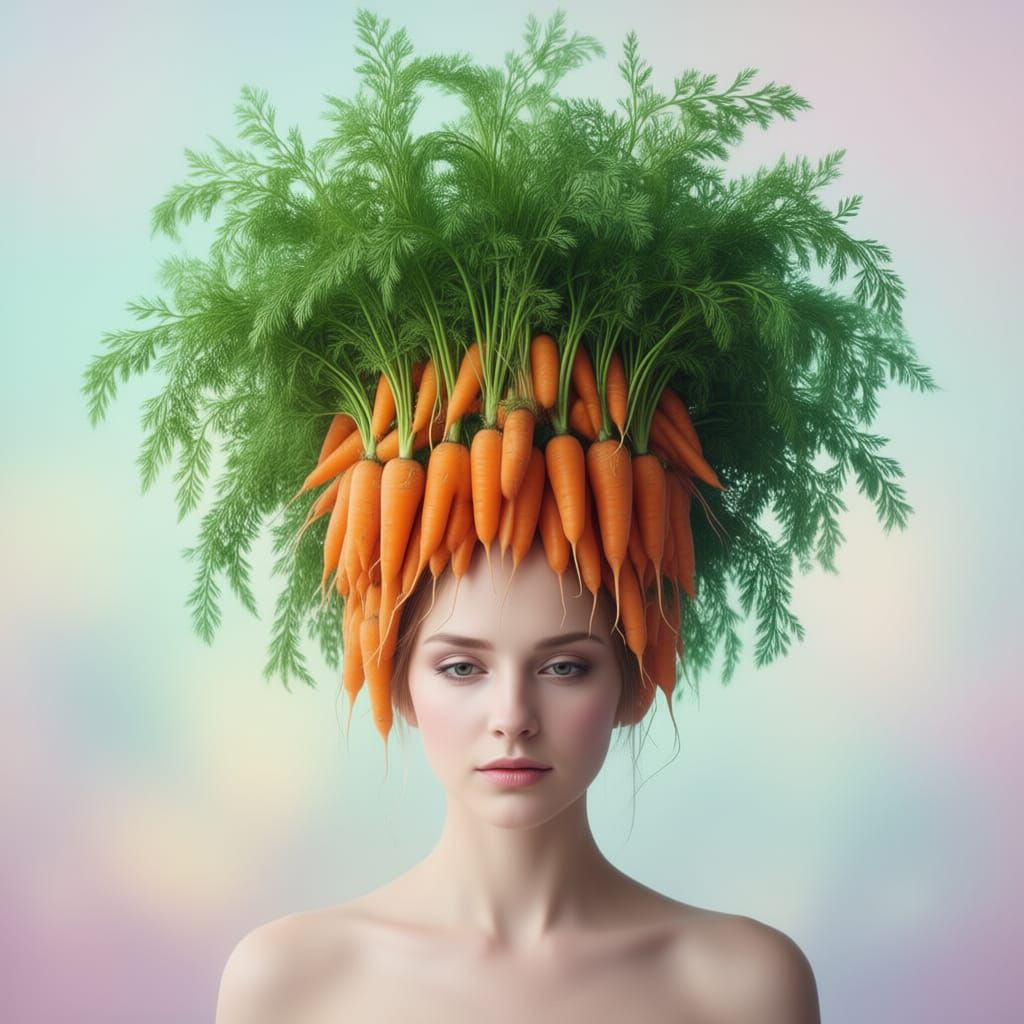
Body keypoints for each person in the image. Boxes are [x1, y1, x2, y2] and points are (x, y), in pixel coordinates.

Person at [214, 536, 822, 1023]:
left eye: (564, 667)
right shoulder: (284, 981)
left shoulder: (747, 986)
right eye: (460, 667)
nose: (512, 718)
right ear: (399, 687)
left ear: (634, 686)